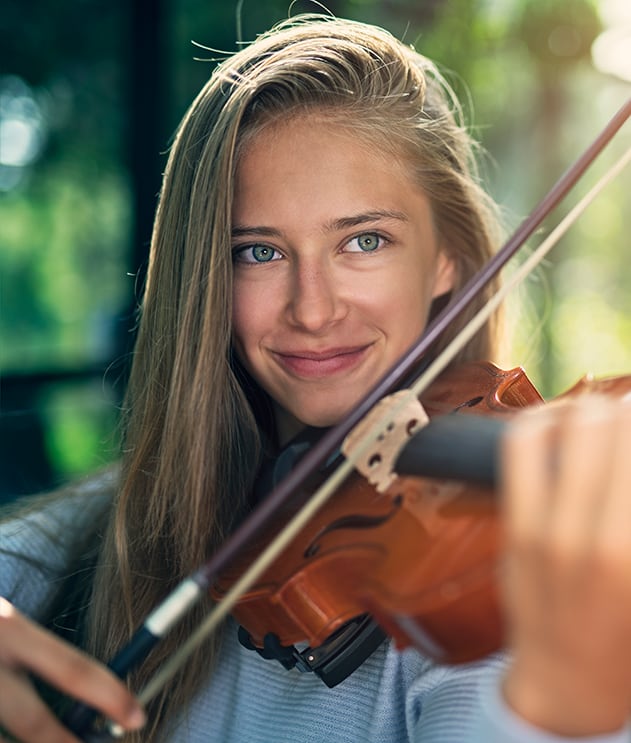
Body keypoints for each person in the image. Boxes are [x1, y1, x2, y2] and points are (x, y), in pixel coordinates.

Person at [2, 13, 631, 743]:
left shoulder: (480, 595)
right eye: (257, 252)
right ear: (203, 278)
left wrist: (564, 696)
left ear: (446, 260)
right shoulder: (97, 533)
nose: (313, 308)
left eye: (364, 240)